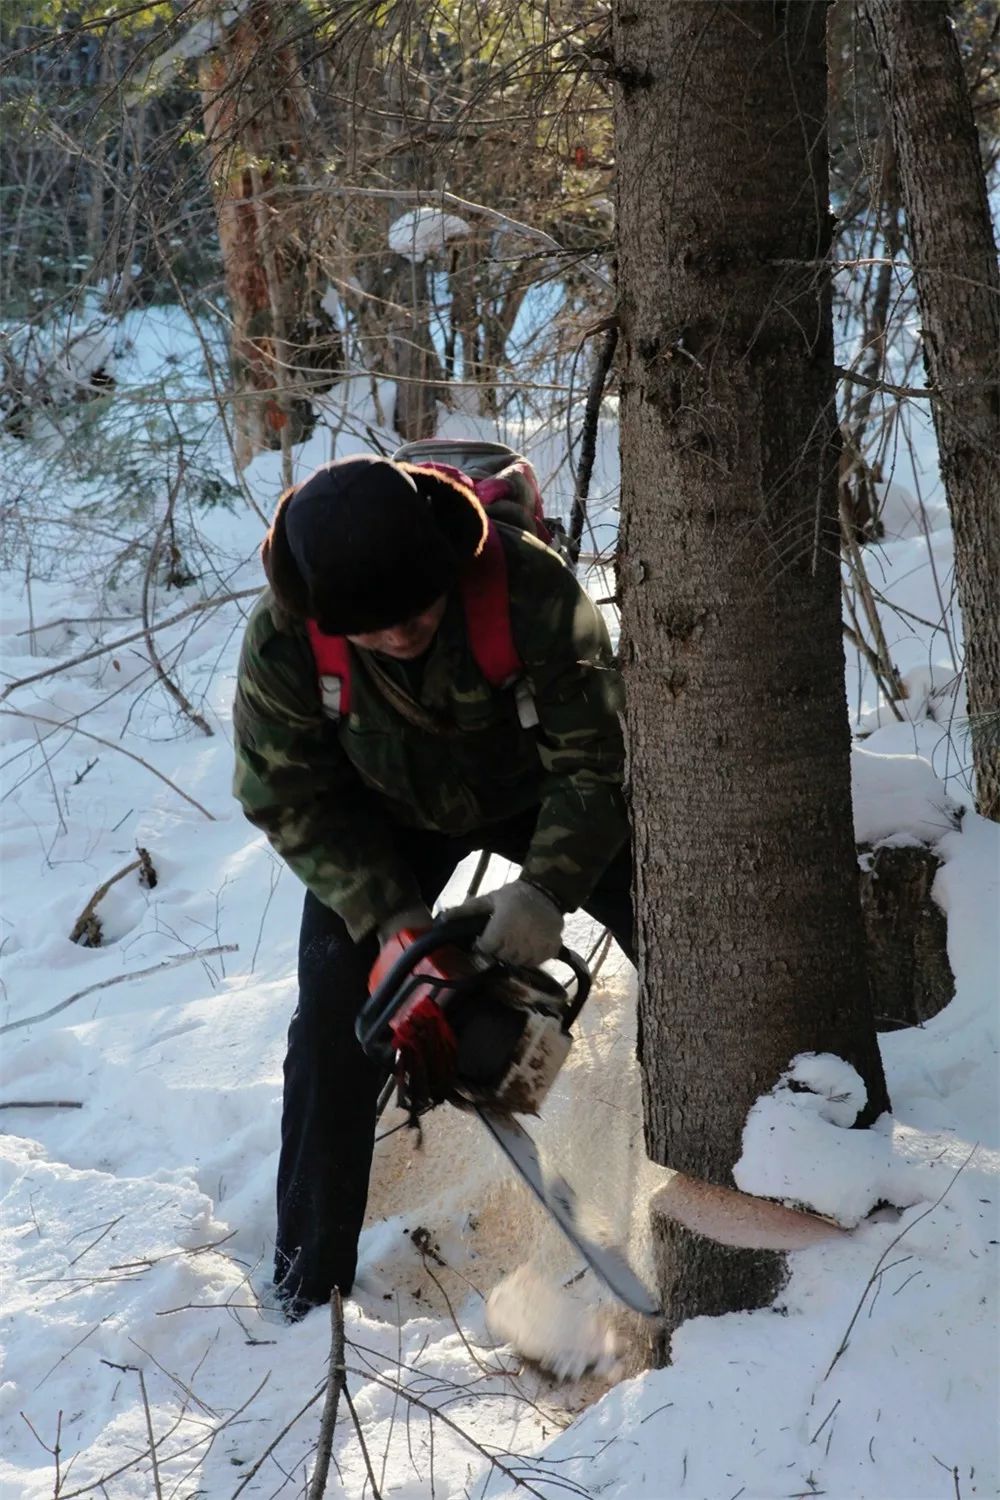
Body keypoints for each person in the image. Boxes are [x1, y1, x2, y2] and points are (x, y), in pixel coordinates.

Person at [233, 452, 633, 1320]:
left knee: (682, 931)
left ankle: (752, 1147)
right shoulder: (284, 639)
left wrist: (549, 888)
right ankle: (306, 1283)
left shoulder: (527, 591)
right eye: (374, 627)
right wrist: (389, 918)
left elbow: (597, 761)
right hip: (385, 822)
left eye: (417, 609)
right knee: (335, 1023)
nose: (402, 632)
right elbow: (284, 790)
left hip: (539, 792)